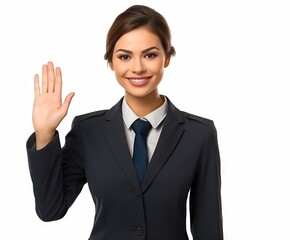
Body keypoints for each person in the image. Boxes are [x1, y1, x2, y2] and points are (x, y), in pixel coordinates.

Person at [26, 4, 223, 240]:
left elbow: (208, 229)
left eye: (150, 55)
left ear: (167, 58)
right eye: (124, 57)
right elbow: (50, 210)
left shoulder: (199, 134)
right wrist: (45, 135)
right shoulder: (88, 131)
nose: (137, 68)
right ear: (111, 62)